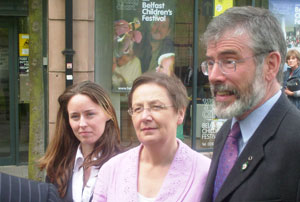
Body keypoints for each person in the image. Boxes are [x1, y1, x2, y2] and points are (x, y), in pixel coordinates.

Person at [200, 6, 300, 202]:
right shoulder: (226, 134)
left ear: (270, 65)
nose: (213, 76)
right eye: (210, 63)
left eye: (229, 61)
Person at [92, 72, 210, 202]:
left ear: (180, 113)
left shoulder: (205, 172)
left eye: (156, 107)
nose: (145, 117)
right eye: (137, 109)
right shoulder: (112, 170)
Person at [39, 81, 122, 202]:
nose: (82, 124)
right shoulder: (57, 165)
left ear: (108, 114)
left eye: (90, 114)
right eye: (75, 116)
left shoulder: (124, 164)